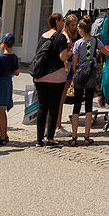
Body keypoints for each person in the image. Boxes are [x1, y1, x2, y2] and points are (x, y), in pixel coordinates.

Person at [34, 12, 72, 147]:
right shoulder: (61, 37)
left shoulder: (43, 36)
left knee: (42, 107)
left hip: (40, 76)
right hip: (56, 76)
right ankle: (50, 138)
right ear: (57, 22)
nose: (63, 23)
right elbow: (62, 57)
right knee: (54, 107)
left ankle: (39, 139)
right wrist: (70, 52)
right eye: (62, 21)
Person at [70, 16, 102, 146]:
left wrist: (74, 75)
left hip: (79, 75)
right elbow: (106, 52)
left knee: (76, 105)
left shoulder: (77, 43)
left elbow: (74, 62)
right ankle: (87, 136)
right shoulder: (95, 41)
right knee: (89, 104)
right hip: (91, 74)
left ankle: (74, 137)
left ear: (82, 30)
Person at [0, 33, 20, 146]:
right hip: (8, 83)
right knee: (3, 110)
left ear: (4, 44)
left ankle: (2, 137)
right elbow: (17, 72)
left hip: (1, 84)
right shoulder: (14, 57)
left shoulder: (1, 58)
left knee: (1, 111)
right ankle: (4, 134)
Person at [55, 12, 80, 137]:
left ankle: (56, 125)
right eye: (72, 25)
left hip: (67, 70)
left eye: (75, 25)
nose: (74, 27)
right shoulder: (64, 37)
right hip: (64, 70)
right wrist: (72, 50)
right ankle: (57, 126)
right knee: (60, 98)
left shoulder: (69, 36)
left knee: (62, 98)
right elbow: (64, 56)